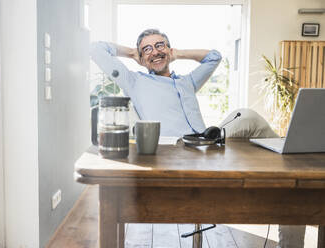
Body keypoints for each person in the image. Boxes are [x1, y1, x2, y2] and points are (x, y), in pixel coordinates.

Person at [90, 28, 305, 248]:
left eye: (160, 45)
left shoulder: (187, 82)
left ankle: (292, 165)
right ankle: (290, 167)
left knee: (247, 117)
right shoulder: (134, 81)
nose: (154, 52)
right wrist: (132, 53)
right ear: (142, 58)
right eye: (147, 49)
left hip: (209, 144)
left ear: (169, 49)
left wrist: (177, 53)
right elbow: (96, 49)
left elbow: (214, 57)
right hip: (175, 151)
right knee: (249, 122)